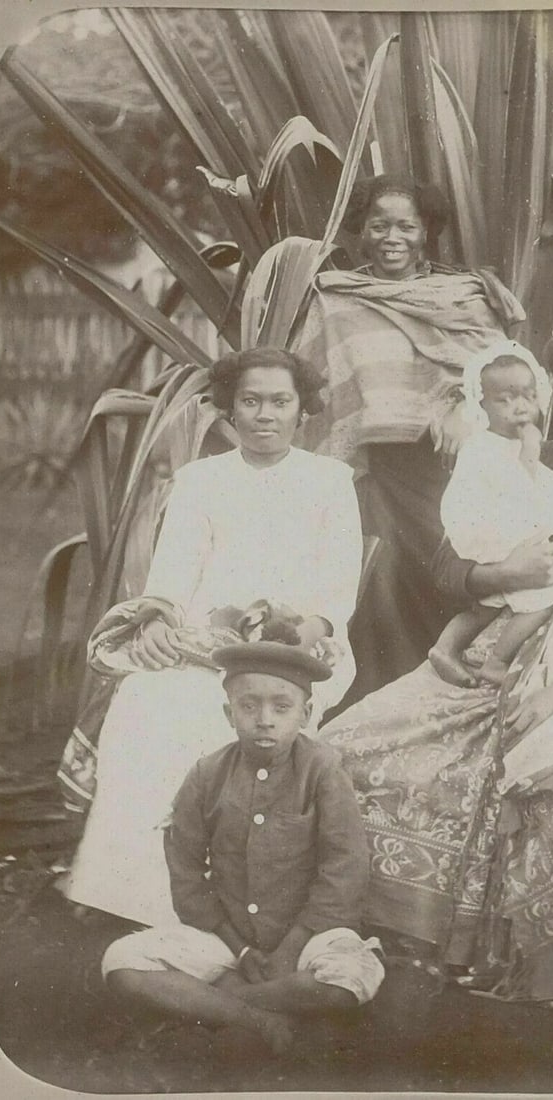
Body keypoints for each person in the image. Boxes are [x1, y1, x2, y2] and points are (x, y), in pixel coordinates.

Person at [317, 323, 553, 1013]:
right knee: (337, 748)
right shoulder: (511, 455)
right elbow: (446, 562)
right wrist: (497, 575)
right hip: (488, 654)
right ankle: (384, 932)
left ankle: (550, 965)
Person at [59, 348, 363, 927]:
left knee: (230, 709)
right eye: (250, 401)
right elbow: (173, 578)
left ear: (303, 411)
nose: (264, 414)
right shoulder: (200, 480)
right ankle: (127, 892)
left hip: (298, 640)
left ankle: (220, 898)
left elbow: (336, 589)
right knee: (145, 702)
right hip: (204, 637)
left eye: (280, 401)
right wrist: (156, 621)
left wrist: (303, 628)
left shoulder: (329, 480)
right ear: (229, 408)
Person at [296, 173, 526, 699]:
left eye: (405, 225)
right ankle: (380, 707)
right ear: (361, 231)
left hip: (455, 473)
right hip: (374, 475)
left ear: (427, 231)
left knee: (462, 579)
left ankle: (460, 702)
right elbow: (318, 390)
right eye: (378, 226)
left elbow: (504, 374)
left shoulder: (465, 297)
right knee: (378, 592)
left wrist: (462, 404)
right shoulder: (338, 300)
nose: (391, 237)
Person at [101, 640, 384, 1055]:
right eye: (248, 706)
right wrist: (241, 947)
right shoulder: (206, 774)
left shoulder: (322, 770)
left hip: (308, 938)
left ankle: (216, 1002)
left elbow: (345, 868)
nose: (264, 720)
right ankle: (259, 1017)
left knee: (348, 979)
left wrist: (289, 950)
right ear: (228, 713)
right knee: (121, 962)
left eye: (281, 707)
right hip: (228, 941)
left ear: (305, 714)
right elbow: (186, 867)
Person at [429, 340, 553, 687]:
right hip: (491, 534)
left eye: (526, 396)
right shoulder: (482, 446)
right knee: (544, 595)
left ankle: (445, 648)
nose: (519, 408)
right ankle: (497, 661)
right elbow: (518, 488)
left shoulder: (504, 444)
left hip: (502, 534)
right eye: (504, 400)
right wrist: (531, 449)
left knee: (487, 605)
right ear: (481, 405)